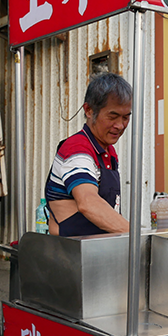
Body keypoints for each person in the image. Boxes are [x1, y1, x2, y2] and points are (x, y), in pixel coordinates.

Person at [45, 73, 133, 236]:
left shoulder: (108, 151)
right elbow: (88, 203)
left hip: (99, 248)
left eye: (126, 118)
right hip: (71, 252)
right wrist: (136, 236)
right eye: (112, 117)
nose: (120, 125)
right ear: (89, 110)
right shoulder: (76, 149)